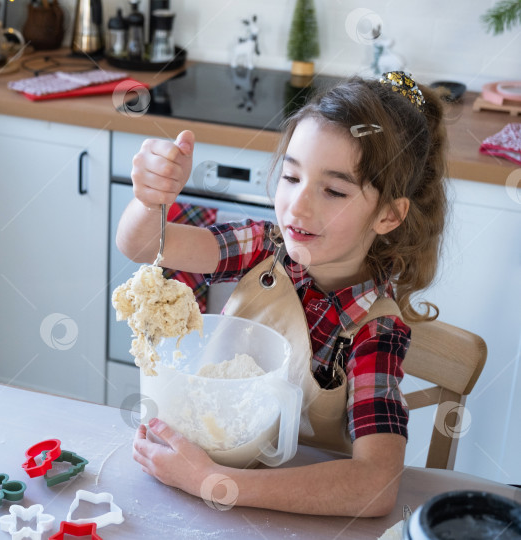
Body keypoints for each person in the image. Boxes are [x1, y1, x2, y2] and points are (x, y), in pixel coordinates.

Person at [119, 72, 447, 517]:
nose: (298, 206)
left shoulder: (375, 331)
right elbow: (142, 245)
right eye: (291, 177)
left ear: (389, 215)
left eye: (333, 190)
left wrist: (215, 482)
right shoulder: (263, 250)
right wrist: (149, 198)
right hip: (206, 475)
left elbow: (375, 484)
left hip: (293, 514)